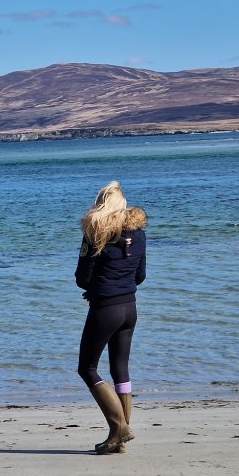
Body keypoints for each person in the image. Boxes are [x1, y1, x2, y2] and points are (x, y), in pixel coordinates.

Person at [74, 181, 147, 454]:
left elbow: (82, 278)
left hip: (106, 308)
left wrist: (98, 288)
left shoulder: (96, 232)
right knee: (121, 370)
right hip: (130, 308)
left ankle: (120, 428)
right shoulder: (138, 233)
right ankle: (119, 438)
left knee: (87, 368)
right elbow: (140, 275)